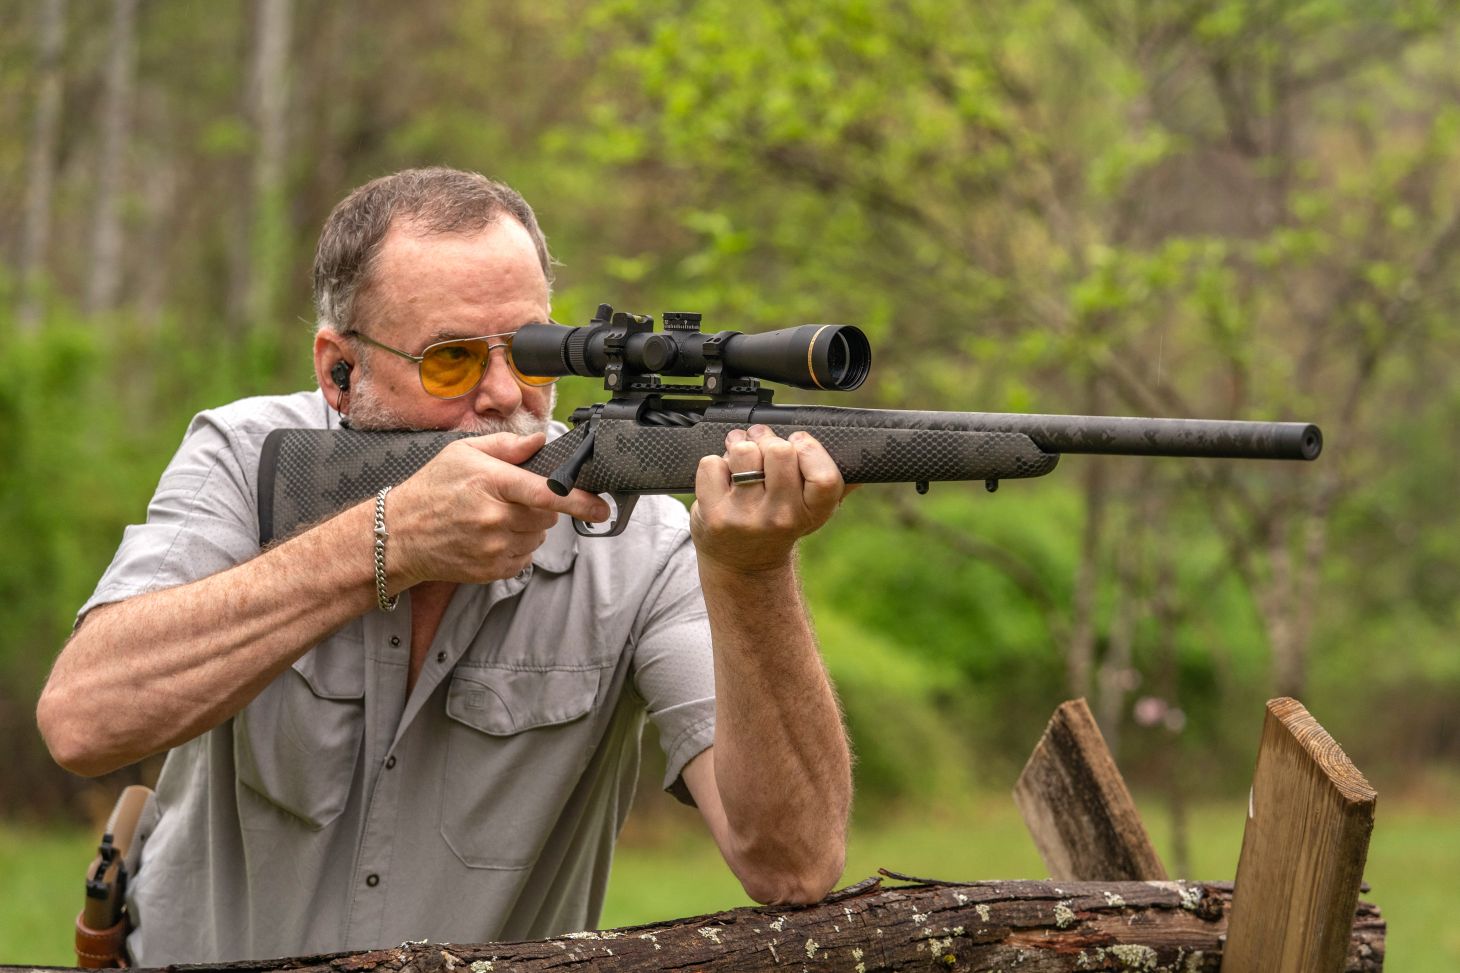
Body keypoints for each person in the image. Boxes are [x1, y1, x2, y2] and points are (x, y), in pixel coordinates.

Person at [37, 168, 853, 964]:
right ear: (338, 368)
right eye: (452, 361)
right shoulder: (246, 459)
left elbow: (791, 862)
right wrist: (386, 541)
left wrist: (754, 573)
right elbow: (85, 718)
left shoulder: (646, 544)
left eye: (534, 353)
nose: (505, 394)